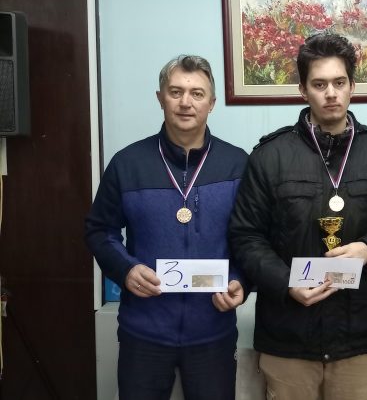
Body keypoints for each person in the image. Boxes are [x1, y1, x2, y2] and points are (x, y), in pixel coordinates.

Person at [228, 33, 367, 400]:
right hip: (288, 335)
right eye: (319, 84)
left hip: (358, 337)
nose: (331, 93)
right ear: (302, 89)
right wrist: (286, 283)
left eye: (339, 83)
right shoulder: (269, 156)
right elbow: (245, 236)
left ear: (352, 86)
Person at [85, 55, 247, 400]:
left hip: (213, 332)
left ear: (212, 103)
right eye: (175, 92)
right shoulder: (127, 164)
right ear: (160, 98)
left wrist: (241, 281)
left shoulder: (238, 164)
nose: (186, 102)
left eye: (197, 93)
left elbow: (252, 237)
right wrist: (126, 269)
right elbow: (99, 230)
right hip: (143, 333)